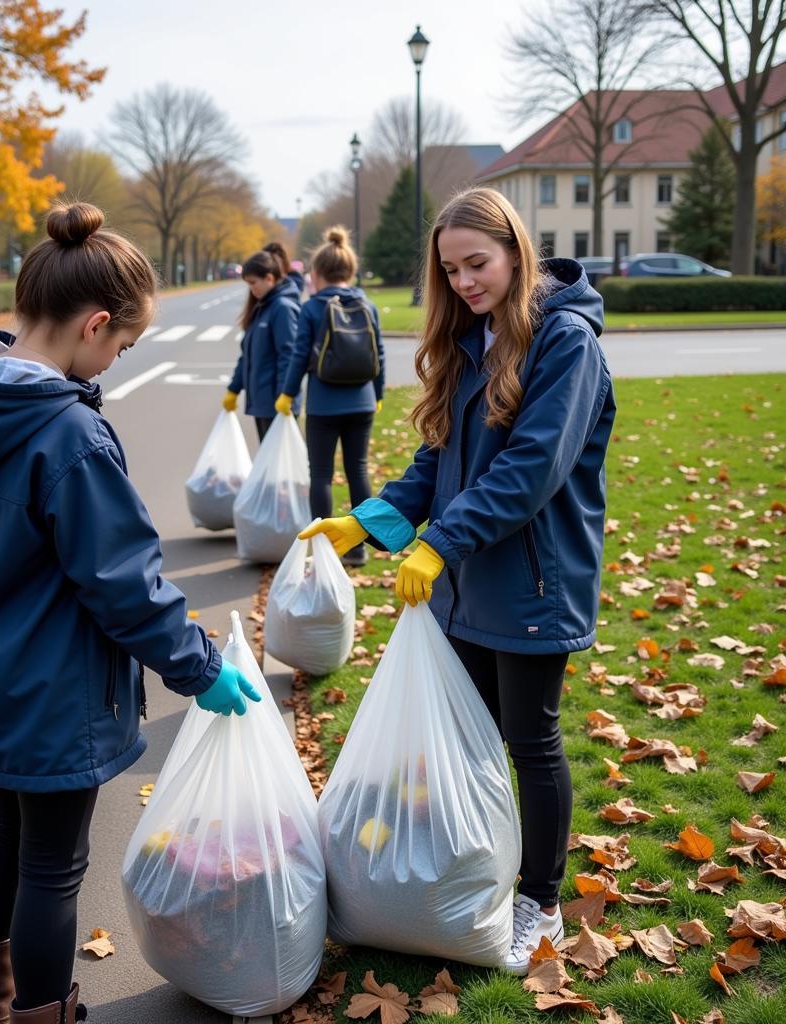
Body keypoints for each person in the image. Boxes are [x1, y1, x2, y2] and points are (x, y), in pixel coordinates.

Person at [0, 201, 260, 1024]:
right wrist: (199, 667)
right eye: (122, 346)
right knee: (53, 867)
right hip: (53, 688)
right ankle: (43, 1013)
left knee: (9, 836)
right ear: (95, 325)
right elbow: (123, 582)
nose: (115, 364)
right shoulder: (67, 436)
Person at [300, 187, 615, 972]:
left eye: (479, 263)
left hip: (533, 580)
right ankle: (464, 871)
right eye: (452, 269)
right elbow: (437, 460)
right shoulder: (475, 338)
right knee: (467, 743)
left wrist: (439, 542)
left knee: (528, 740)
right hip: (467, 582)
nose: (467, 281)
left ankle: (538, 901)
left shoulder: (565, 342)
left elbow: (528, 472)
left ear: (516, 251)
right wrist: (368, 522)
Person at [277, 226, 384, 567]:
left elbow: (298, 356)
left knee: (320, 474)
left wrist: (288, 394)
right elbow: (378, 354)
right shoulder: (367, 304)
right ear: (350, 271)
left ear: (317, 273)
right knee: (358, 471)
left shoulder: (312, 308)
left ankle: (323, 550)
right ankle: (358, 548)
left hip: (323, 402)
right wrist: (377, 394)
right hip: (363, 401)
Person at [223, 249, 301, 441]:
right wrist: (234, 388)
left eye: (253, 283)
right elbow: (247, 355)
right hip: (264, 403)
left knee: (279, 468)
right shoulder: (262, 308)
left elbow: (288, 355)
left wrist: (285, 395)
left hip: (277, 404)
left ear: (269, 278)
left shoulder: (282, 308)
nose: (251, 289)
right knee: (269, 467)